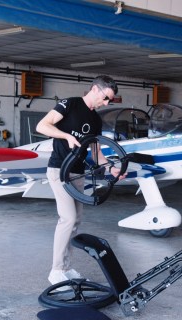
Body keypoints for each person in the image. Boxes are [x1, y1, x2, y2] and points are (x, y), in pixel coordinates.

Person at [36, 75, 121, 286]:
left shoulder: (95, 120)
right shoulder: (70, 104)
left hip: (78, 173)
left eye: (110, 100)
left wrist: (113, 168)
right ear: (95, 89)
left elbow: (97, 154)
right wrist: (66, 136)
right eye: (106, 97)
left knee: (75, 221)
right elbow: (42, 126)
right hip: (59, 170)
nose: (106, 103)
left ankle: (66, 267)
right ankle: (55, 270)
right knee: (67, 218)